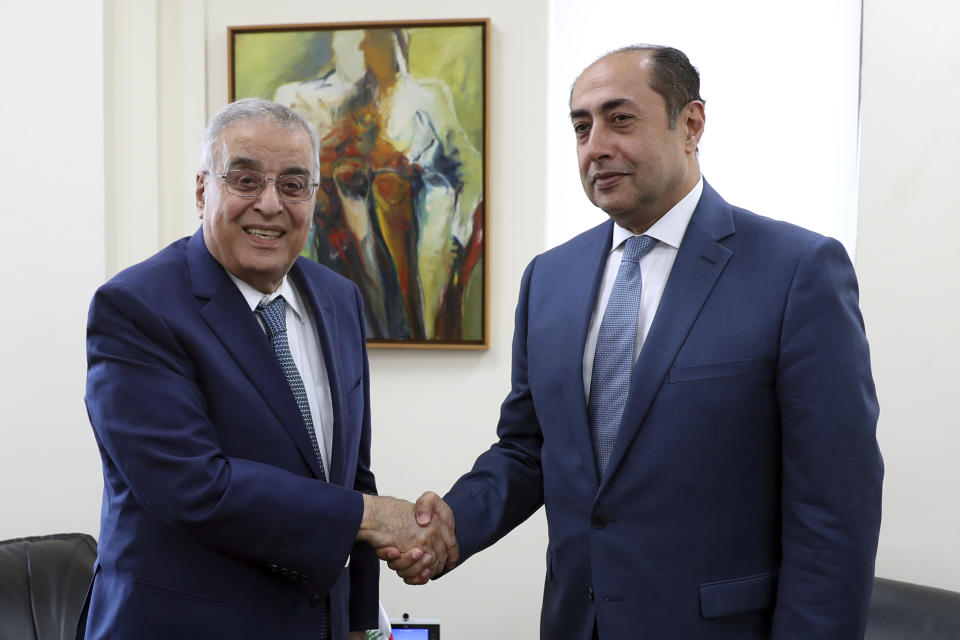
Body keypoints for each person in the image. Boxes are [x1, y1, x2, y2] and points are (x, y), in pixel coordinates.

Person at [389, 45, 883, 639]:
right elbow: (528, 449)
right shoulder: (550, 278)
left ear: (691, 125)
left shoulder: (797, 270)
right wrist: (449, 525)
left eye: (620, 119)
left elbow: (835, 508)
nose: (595, 145)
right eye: (581, 126)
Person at [79, 98, 455, 640]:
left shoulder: (339, 298)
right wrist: (370, 517)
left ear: (314, 199)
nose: (270, 204)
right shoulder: (136, 307)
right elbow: (194, 485)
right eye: (246, 180)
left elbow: (351, 476)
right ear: (203, 189)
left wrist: (359, 621)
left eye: (294, 184)